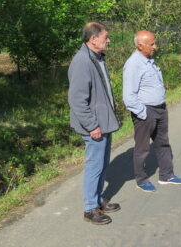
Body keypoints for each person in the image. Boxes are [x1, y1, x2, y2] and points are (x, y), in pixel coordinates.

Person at [68, 22, 121, 225]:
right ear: (93, 39)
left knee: (102, 164)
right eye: (105, 37)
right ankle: (90, 208)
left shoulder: (96, 58)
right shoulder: (82, 61)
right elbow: (77, 100)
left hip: (103, 123)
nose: (108, 40)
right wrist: (92, 126)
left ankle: (98, 199)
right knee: (94, 166)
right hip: (94, 126)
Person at [123, 30, 181, 193]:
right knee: (143, 148)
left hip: (160, 109)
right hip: (146, 111)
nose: (155, 47)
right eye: (151, 44)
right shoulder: (133, 64)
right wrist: (143, 113)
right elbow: (128, 96)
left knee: (163, 143)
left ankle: (167, 175)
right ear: (140, 46)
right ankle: (141, 179)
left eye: (154, 43)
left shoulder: (148, 60)